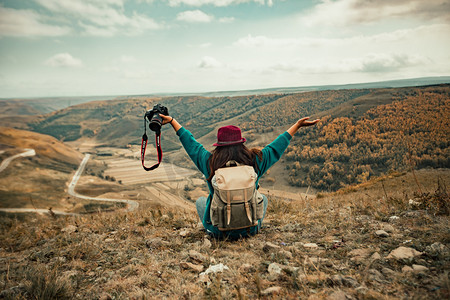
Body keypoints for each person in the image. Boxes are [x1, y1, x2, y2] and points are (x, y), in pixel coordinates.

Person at [160, 114, 319, 239]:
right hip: (250, 229)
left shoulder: (210, 162)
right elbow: (275, 148)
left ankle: (213, 228)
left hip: (218, 231)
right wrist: (296, 126)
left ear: (219, 145)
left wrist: (173, 122)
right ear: (241, 143)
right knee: (263, 198)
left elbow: (191, 144)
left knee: (201, 201)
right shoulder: (255, 161)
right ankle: (247, 225)